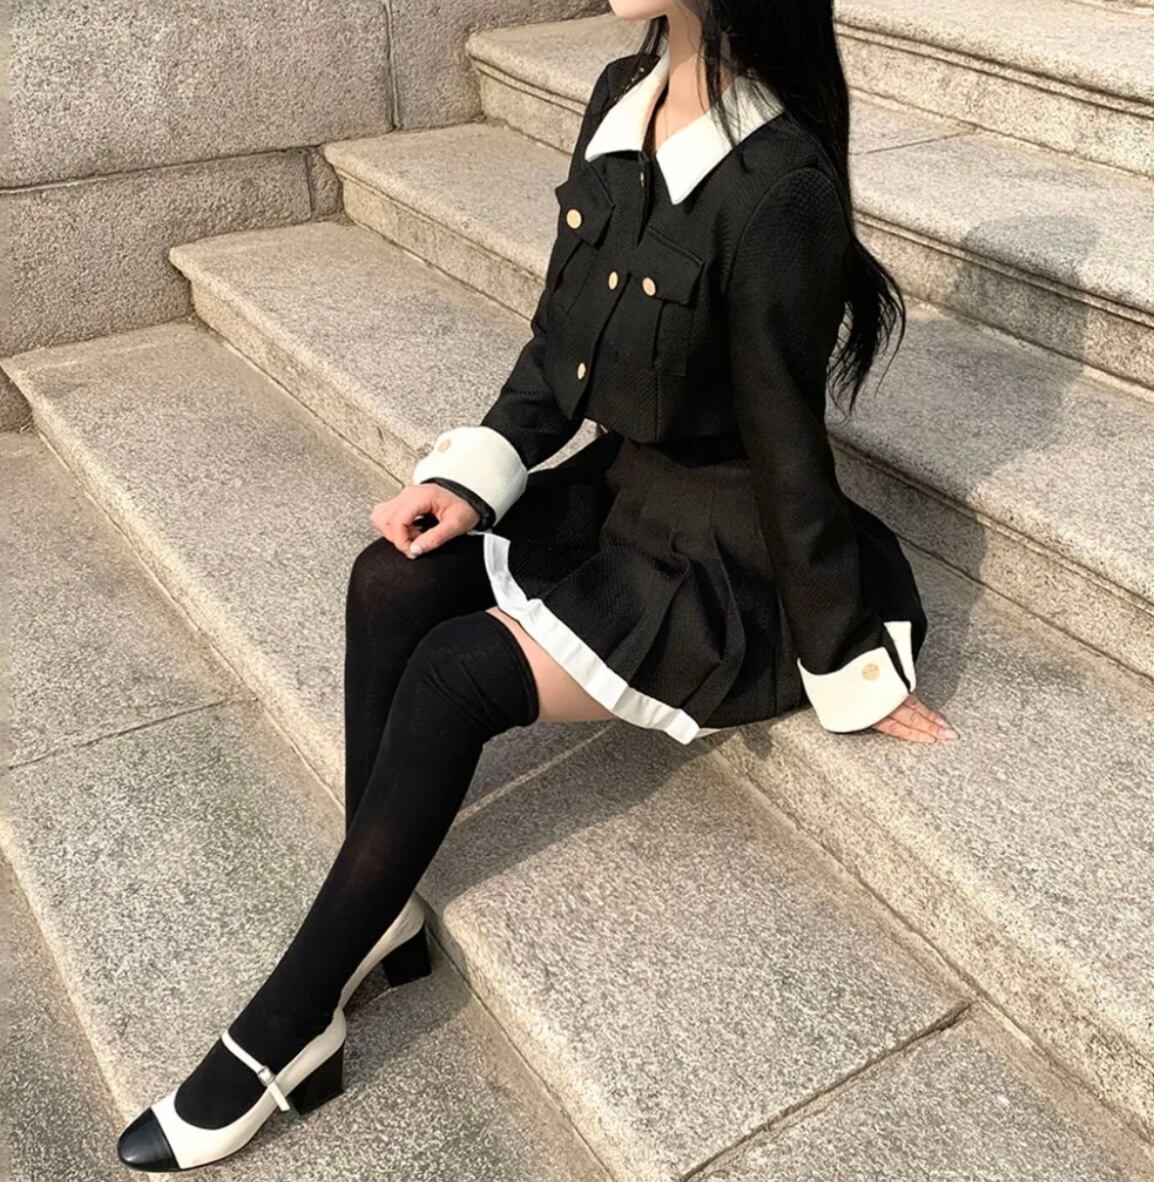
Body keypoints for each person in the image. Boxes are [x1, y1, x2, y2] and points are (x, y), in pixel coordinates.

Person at [116, 0, 956, 1170]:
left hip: (724, 550)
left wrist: (849, 656)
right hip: (617, 491)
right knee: (389, 577)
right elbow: (560, 342)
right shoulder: (621, 97)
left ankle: (288, 1026)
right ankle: (380, 911)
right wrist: (470, 480)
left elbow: (786, 444)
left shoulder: (781, 186)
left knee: (455, 672)